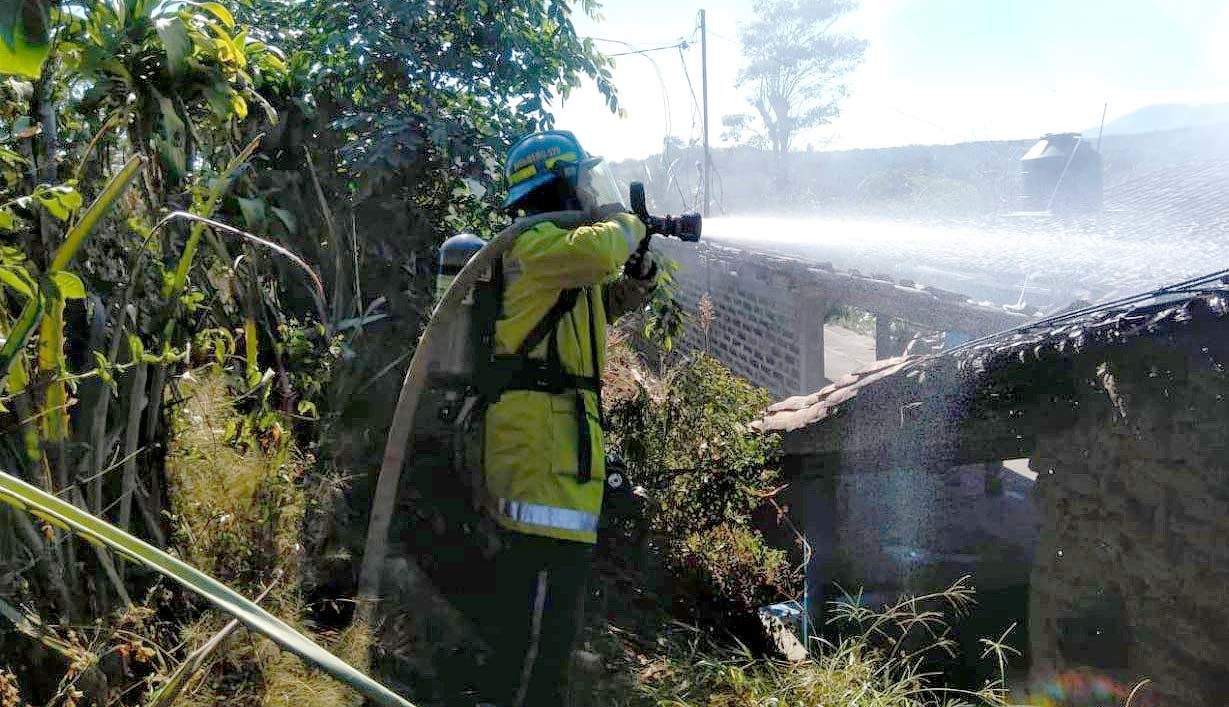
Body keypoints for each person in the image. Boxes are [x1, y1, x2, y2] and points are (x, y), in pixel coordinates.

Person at [472, 130, 657, 707]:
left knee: (552, 629)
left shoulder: (554, 260)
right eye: (582, 182)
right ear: (558, 185)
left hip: (557, 456)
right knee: (532, 630)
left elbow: (587, 316)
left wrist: (633, 287)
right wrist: (632, 223)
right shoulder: (536, 246)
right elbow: (602, 249)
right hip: (538, 456)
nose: (589, 194)